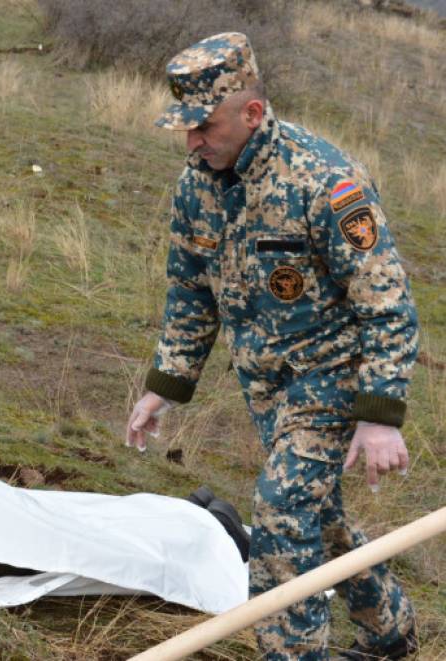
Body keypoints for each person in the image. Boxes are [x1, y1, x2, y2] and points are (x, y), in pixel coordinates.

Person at [124, 33, 419, 660]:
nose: (192, 141)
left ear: (252, 114)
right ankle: (391, 632)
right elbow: (189, 289)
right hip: (266, 384)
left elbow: (386, 302)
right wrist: (164, 384)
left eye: (203, 125)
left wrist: (377, 415)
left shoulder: (326, 181)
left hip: (332, 374)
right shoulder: (198, 183)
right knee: (317, 515)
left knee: (283, 514)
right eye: (186, 128)